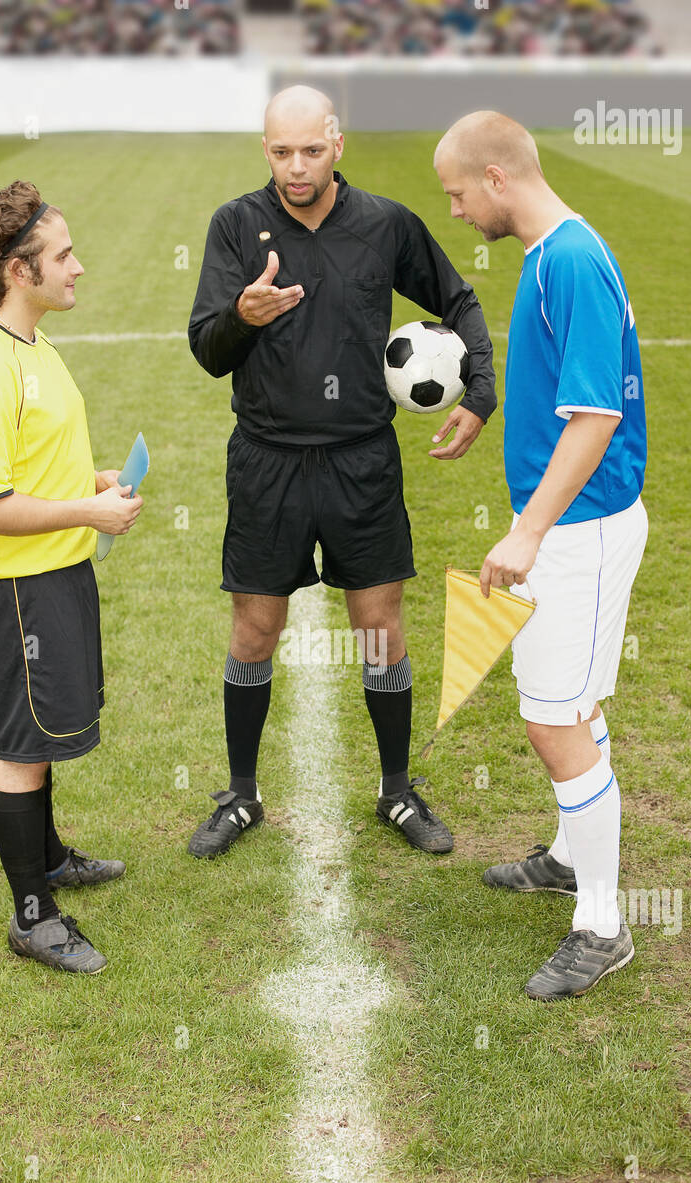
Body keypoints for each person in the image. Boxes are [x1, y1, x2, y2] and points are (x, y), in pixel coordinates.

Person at [188, 84, 496, 858]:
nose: (296, 168)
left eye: (311, 150)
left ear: (337, 144)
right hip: (266, 461)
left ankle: (396, 791)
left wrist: (482, 391)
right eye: (281, 152)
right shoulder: (235, 225)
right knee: (255, 630)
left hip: (361, 460)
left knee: (379, 630)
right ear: (265, 149)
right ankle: (241, 795)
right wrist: (240, 317)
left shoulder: (384, 224)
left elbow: (457, 299)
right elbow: (206, 348)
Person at [434, 112, 648, 1000]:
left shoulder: (566, 259)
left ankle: (600, 926)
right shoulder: (552, 254)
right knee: (570, 702)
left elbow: (595, 416)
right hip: (570, 529)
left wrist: (528, 530)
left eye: (454, 194)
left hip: (579, 532)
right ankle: (568, 856)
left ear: (494, 177)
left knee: (550, 721)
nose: (453, 212)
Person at [0, 181, 143, 975]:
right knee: (22, 745)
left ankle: (49, 857)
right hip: (14, 586)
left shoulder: (29, 341)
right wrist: (87, 516)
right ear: (20, 272)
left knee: (45, 730)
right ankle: (33, 915)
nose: (78, 268)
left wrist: (82, 479)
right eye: (63, 256)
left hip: (53, 573)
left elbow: (25, 462)